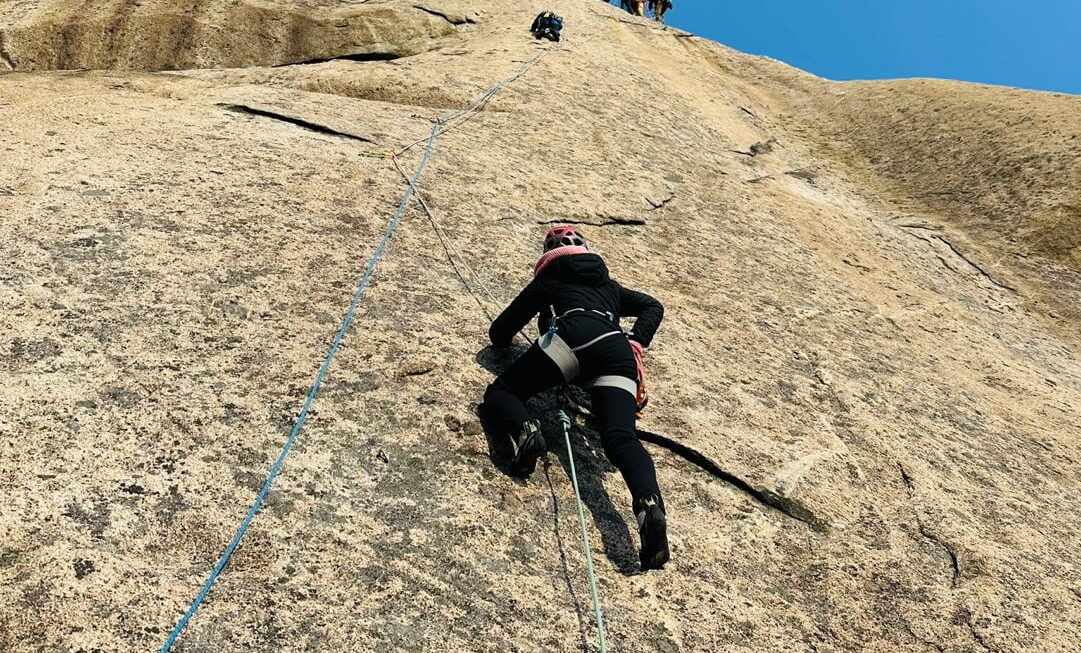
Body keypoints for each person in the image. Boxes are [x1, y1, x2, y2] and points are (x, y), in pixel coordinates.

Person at [481, 226, 670, 570]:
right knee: (620, 437)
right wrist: (637, 341)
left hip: (572, 338)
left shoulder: (549, 279)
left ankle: (525, 430)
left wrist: (513, 339)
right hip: (616, 351)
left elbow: (500, 331)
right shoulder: (610, 287)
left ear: (548, 255)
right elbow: (652, 306)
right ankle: (648, 503)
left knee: (503, 393)